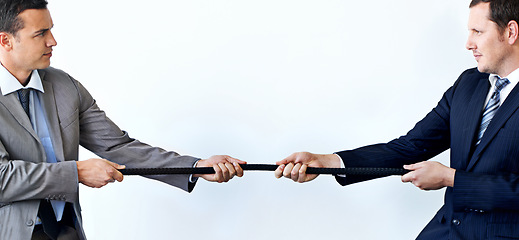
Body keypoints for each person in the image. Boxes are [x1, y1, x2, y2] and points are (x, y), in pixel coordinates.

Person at [0, 0, 246, 239]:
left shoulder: (65, 86)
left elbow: (118, 146)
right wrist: (75, 173)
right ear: (5, 40)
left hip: (67, 231)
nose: (53, 41)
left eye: (51, 30)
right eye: (41, 33)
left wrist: (197, 167)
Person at [275, 0, 519, 239]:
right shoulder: (469, 84)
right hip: (447, 229)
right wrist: (327, 162)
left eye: (477, 31)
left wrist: (450, 178)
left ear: (510, 32)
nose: (468, 44)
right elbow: (411, 146)